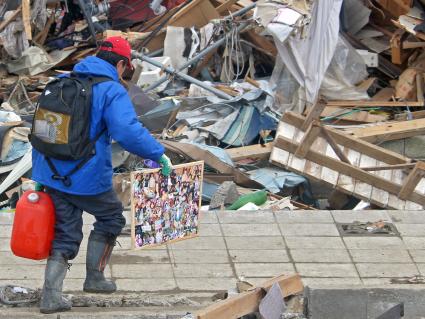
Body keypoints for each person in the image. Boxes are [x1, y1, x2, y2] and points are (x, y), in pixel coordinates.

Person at [31, 36, 173, 314]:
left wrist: (41, 174)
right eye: (126, 69)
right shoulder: (110, 90)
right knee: (111, 218)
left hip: (54, 174)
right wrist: (158, 153)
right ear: (121, 64)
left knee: (65, 233)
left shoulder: (62, 83)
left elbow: (43, 133)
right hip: (87, 177)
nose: (125, 74)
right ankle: (94, 277)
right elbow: (127, 131)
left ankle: (51, 297)